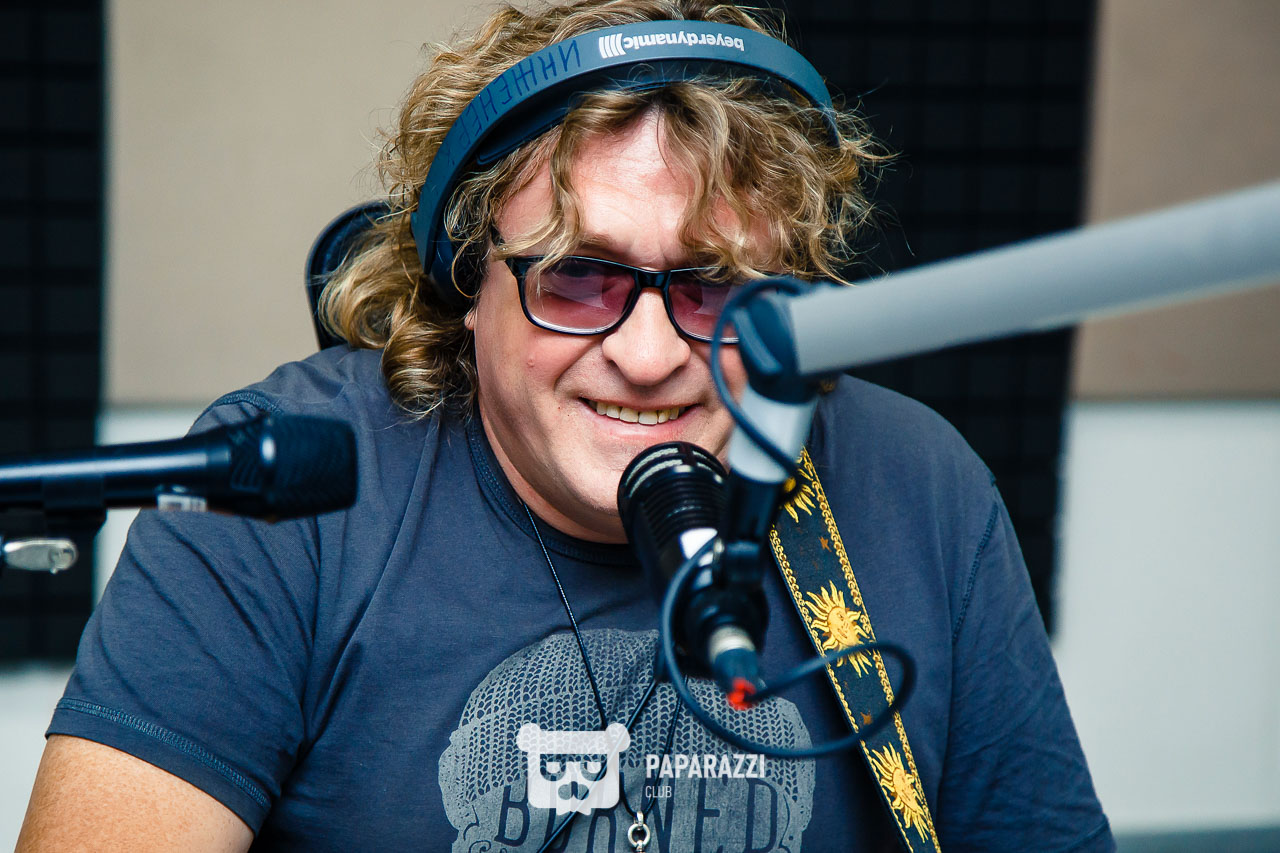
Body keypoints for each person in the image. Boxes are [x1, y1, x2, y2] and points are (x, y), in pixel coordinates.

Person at [19, 1, 1114, 850]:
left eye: (713, 287)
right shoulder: (281, 488)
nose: (648, 354)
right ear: (466, 280)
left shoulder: (915, 485)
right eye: (580, 279)